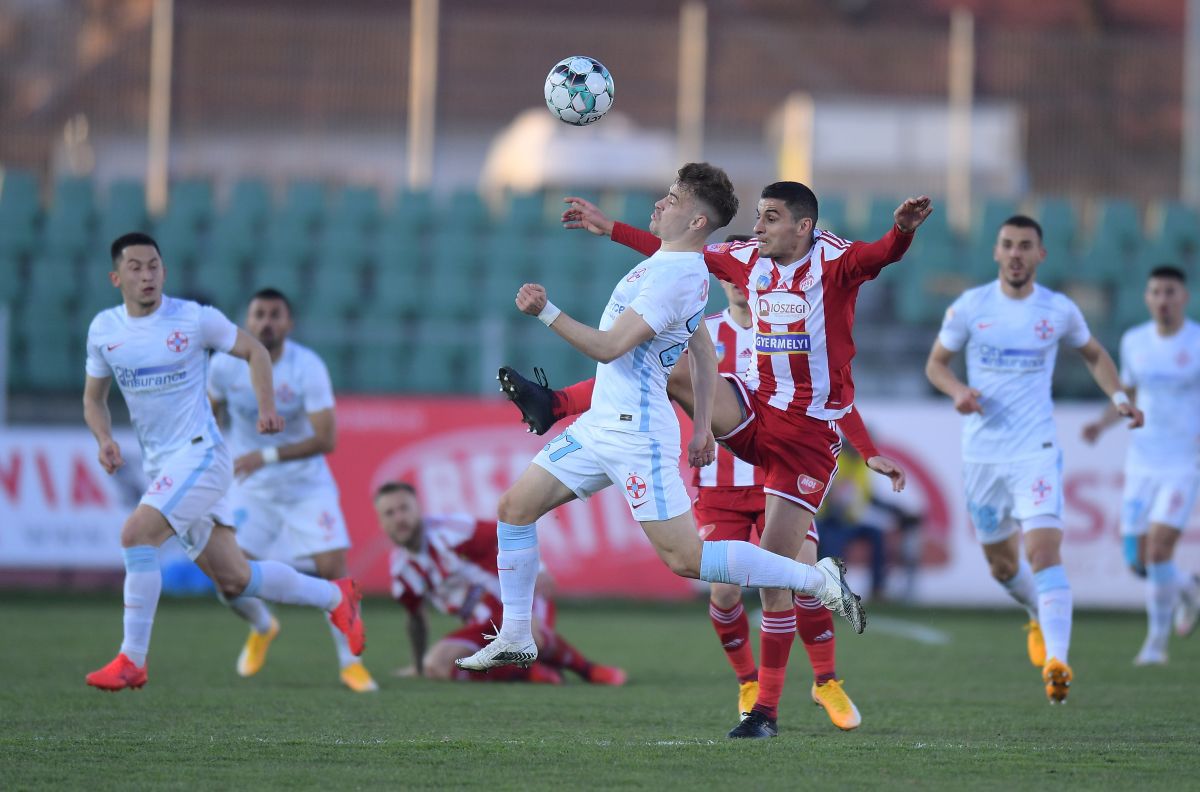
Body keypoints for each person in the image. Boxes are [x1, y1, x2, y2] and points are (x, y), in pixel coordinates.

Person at [453, 164, 869, 742]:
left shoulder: (677, 274)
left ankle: (817, 581)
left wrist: (544, 311)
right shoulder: (675, 267)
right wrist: (703, 427)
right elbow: (700, 345)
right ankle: (518, 634)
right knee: (515, 509)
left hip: (636, 434)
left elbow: (607, 346)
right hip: (602, 424)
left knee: (688, 561)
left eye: (670, 198)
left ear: (695, 218)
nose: (659, 203)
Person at [535, 182, 925, 738]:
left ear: (804, 227)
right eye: (759, 217)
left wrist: (903, 231)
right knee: (669, 372)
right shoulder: (746, 261)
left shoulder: (836, 263)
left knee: (773, 583)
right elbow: (679, 252)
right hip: (754, 412)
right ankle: (581, 417)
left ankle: (765, 712)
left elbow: (880, 254)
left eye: (770, 218)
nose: (757, 227)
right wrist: (610, 229)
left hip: (806, 441)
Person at [82, 232, 364, 691]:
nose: (147, 274)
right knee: (235, 579)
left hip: (203, 455)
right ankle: (334, 596)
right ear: (117, 277)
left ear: (164, 271)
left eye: (154, 265)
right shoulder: (104, 330)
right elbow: (93, 398)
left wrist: (266, 407)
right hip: (162, 466)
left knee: (136, 534)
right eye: (135, 267)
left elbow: (254, 350)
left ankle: (132, 660)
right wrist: (104, 437)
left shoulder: (193, 320)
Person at [925, 215, 1143, 704]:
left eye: (1026, 245)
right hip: (982, 455)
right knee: (1003, 568)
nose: (1017, 253)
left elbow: (1093, 354)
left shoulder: (1058, 310)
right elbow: (935, 364)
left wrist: (1120, 398)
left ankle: (1058, 661)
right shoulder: (970, 307)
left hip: (1035, 450)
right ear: (997, 253)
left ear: (1041, 255)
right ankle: (1034, 615)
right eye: (1008, 245)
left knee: (1043, 554)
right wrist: (958, 390)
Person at [207, 288, 377, 692]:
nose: (266, 322)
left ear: (289, 323)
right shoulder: (224, 366)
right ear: (247, 321)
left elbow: (326, 439)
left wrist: (263, 458)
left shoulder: (307, 367)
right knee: (228, 579)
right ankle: (263, 626)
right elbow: (207, 417)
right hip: (252, 489)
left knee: (334, 571)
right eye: (259, 314)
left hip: (306, 486)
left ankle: (350, 663)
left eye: (275, 315)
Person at [375, 481, 626, 685]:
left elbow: (508, 533)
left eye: (404, 508)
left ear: (418, 508)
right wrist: (418, 667)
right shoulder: (402, 571)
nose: (399, 518)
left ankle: (588, 670)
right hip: (483, 625)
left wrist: (538, 568)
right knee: (437, 666)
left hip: (518, 601)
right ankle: (528, 674)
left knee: (529, 638)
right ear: (381, 522)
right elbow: (416, 618)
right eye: (390, 513)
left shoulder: (451, 531)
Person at [1081, 265, 1200, 665]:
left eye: (1170, 291)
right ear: (1147, 298)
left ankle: (1156, 644)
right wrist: (1101, 424)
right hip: (1141, 462)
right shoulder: (1135, 342)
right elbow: (1127, 393)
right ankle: (1188, 587)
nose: (1163, 299)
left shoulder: (1197, 341)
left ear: (1183, 297)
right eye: (1156, 292)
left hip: (1182, 463)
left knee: (1160, 548)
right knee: (1137, 560)